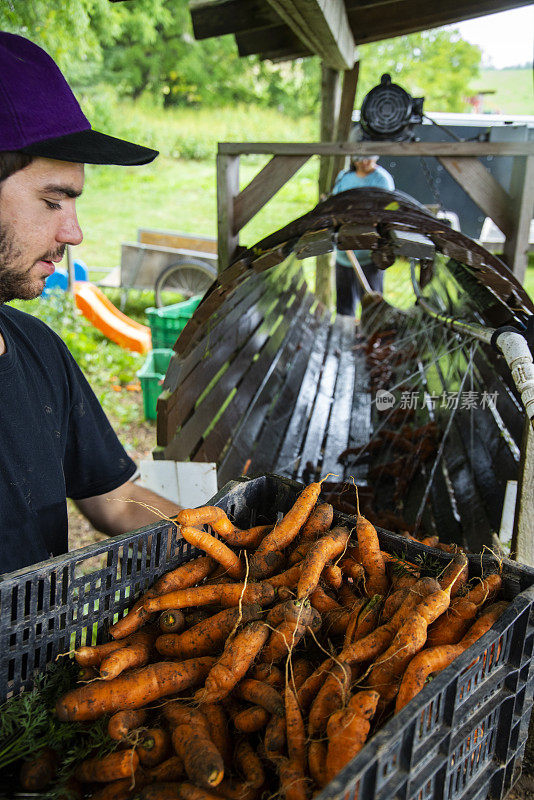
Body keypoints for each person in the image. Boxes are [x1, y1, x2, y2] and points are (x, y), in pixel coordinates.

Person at [0, 32, 183, 573]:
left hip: (41, 658)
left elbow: (113, 499)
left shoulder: (39, 351)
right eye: (52, 201)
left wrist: (232, 547)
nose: (74, 232)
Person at [332, 154, 395, 316]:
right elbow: (334, 206)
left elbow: (385, 213)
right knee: (344, 307)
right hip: (344, 254)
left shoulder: (382, 180)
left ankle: (370, 334)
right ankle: (345, 331)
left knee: (372, 308)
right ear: (353, 158)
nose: (365, 162)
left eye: (369, 157)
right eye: (361, 158)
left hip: (370, 255)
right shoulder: (344, 178)